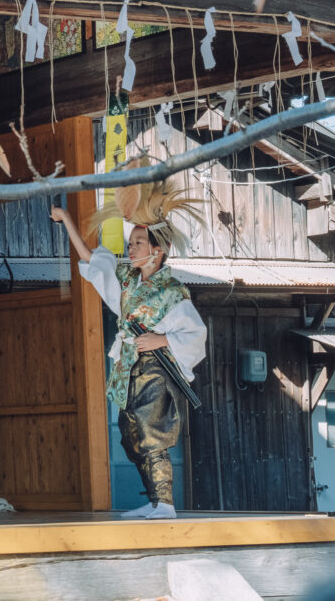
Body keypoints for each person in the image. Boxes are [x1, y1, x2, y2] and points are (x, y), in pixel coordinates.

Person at [51, 173, 207, 520]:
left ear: (157, 251)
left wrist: (162, 339)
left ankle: (165, 503)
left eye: (138, 243)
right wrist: (68, 223)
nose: (132, 248)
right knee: (130, 433)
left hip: (156, 365)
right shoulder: (128, 281)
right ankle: (154, 502)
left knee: (149, 429)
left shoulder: (172, 291)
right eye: (132, 242)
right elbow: (93, 261)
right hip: (129, 365)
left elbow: (196, 334)